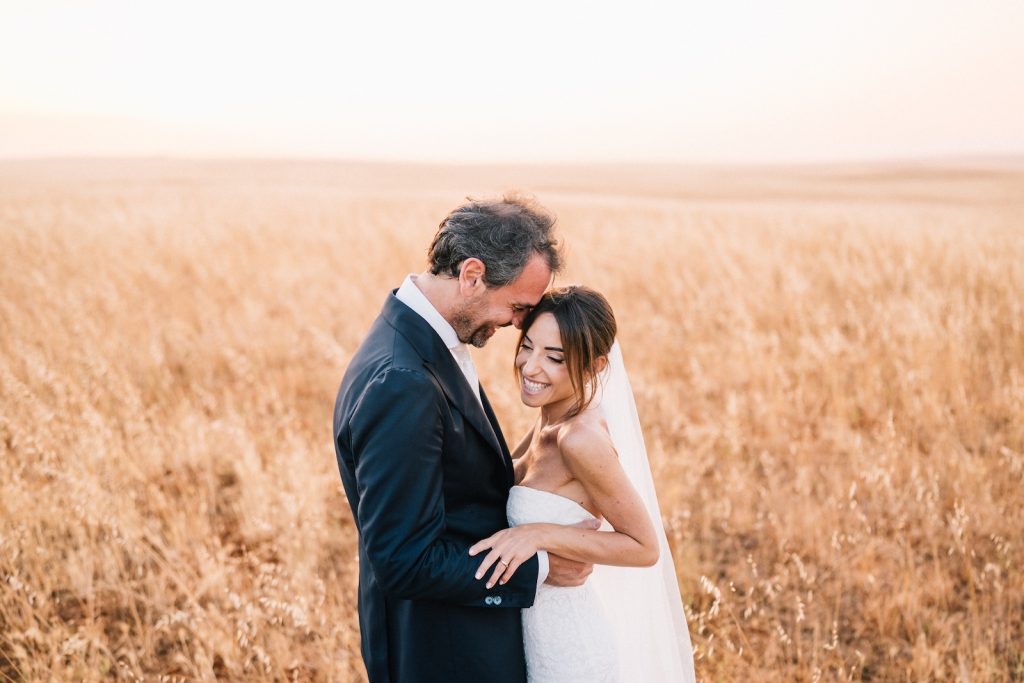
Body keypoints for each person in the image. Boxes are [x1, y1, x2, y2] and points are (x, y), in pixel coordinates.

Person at [332, 195, 594, 683]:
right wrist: (538, 570)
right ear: (472, 274)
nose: (518, 323)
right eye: (517, 306)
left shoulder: (421, 336)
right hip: (442, 652)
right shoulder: (401, 381)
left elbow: (459, 478)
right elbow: (403, 560)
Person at [469, 286, 696, 682]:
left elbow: (644, 547)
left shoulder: (580, 439)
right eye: (528, 346)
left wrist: (538, 534)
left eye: (554, 357)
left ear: (594, 367)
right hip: (532, 636)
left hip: (569, 653)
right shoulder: (550, 416)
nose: (530, 366)